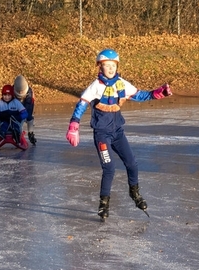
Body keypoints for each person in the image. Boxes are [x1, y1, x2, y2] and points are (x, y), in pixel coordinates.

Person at [65, 49, 172, 221]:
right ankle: (104, 204)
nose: (110, 69)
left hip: (117, 132)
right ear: (100, 67)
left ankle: (134, 193)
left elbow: (140, 95)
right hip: (102, 135)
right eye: (106, 65)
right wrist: (74, 124)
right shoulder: (95, 86)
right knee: (109, 168)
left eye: (113, 65)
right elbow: (82, 104)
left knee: (132, 163)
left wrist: (157, 93)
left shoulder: (121, 83)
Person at [0, 84, 27, 150]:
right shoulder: (0, 103)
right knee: (4, 125)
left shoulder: (16, 102)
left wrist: (18, 117)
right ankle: (1, 133)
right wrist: (1, 114)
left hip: (15, 121)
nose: (7, 97)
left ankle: (17, 135)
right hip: (4, 121)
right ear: (2, 95)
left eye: (9, 95)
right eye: (5, 95)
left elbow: (25, 113)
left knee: (15, 126)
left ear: (12, 95)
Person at [13, 75, 37, 145]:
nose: (20, 94)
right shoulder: (11, 91)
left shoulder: (30, 94)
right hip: (15, 107)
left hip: (26, 107)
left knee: (29, 117)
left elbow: (29, 109)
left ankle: (31, 133)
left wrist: (22, 116)